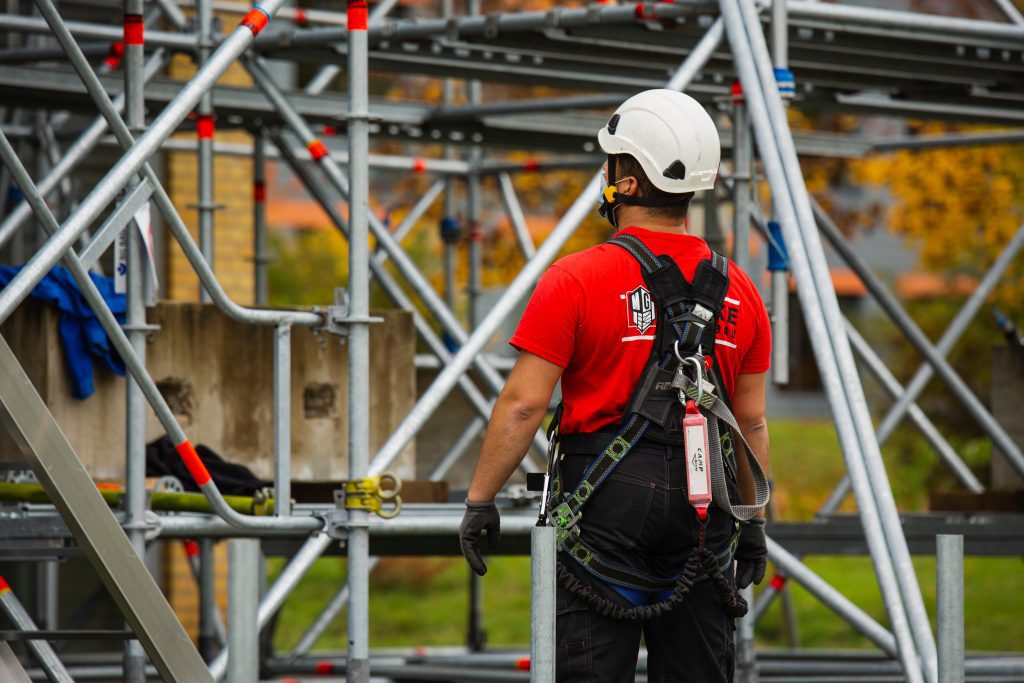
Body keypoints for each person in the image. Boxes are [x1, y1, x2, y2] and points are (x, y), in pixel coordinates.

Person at [459, 89, 771, 683]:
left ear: (624, 180)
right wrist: (753, 520)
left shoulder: (576, 278)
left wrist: (480, 500)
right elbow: (749, 422)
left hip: (605, 504)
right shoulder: (743, 292)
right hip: (707, 503)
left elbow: (524, 404)